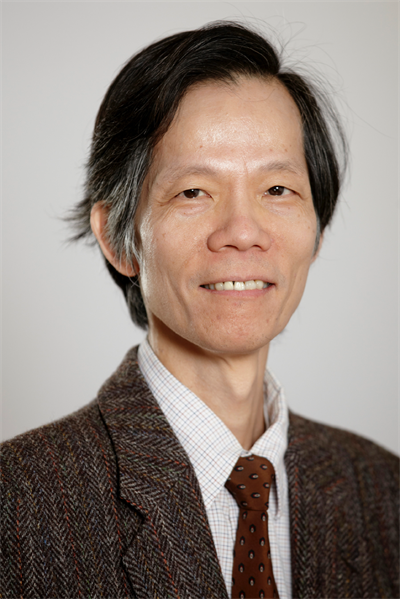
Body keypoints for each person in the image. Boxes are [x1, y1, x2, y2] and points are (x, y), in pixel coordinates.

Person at [1, 21, 399, 599]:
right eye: (193, 192)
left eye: (278, 190)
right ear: (119, 241)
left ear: (316, 229)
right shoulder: (20, 506)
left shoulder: (383, 493)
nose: (243, 232)